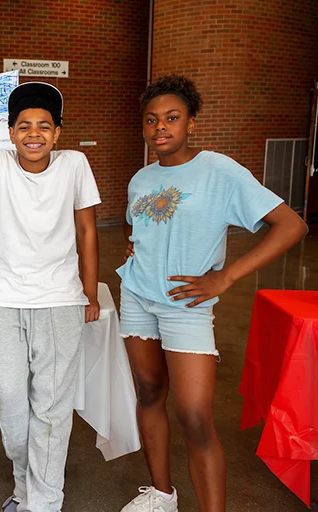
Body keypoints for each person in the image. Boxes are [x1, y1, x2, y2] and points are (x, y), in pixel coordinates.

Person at [118, 74, 309, 512]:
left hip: (188, 304)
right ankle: (161, 495)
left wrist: (225, 278)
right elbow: (137, 225)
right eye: (150, 120)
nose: (160, 128)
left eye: (171, 118)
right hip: (138, 295)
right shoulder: (140, 179)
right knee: (148, 392)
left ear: (191, 123)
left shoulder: (219, 170)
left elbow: (292, 226)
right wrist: (135, 245)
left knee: (195, 415)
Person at [0, 82, 101, 512]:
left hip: (59, 299)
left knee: (53, 407)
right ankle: (24, 487)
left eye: (44, 125)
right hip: (3, 299)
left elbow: (87, 231)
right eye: (24, 126)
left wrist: (90, 294)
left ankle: (45, 502)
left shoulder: (75, 164)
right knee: (11, 402)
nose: (34, 134)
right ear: (10, 132)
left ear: (58, 133)